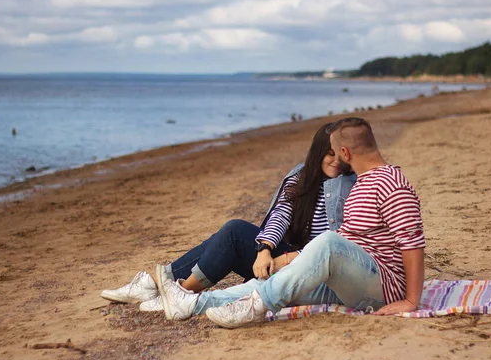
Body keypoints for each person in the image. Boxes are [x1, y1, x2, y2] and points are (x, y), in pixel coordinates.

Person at [155, 117, 426, 326]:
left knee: (328, 241)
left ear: (344, 152)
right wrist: (283, 259)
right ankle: (193, 303)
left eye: (333, 151)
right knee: (282, 282)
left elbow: (412, 244)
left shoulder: (391, 184)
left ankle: (258, 307)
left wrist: (411, 300)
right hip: (351, 280)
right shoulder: (361, 185)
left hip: (381, 288)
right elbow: (349, 238)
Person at [100, 122, 357, 311]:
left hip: (310, 267)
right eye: (328, 154)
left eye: (338, 154)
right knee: (232, 234)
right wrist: (265, 248)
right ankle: (160, 283)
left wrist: (288, 258)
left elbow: (342, 239)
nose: (334, 161)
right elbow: (281, 214)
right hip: (280, 258)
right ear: (317, 153)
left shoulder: (353, 185)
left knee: (233, 232)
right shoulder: (301, 177)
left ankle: (178, 292)